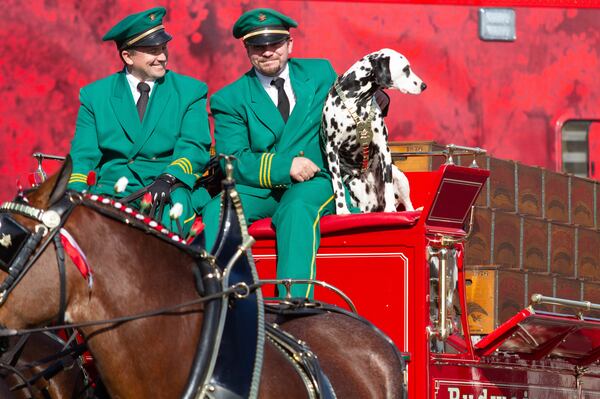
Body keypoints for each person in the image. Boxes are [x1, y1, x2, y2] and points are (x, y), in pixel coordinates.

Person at [202, 8, 338, 298]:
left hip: (315, 181)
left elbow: (351, 104)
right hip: (262, 188)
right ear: (247, 50)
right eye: (257, 46)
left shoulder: (321, 73)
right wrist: (284, 166)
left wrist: (380, 99)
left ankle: (293, 304)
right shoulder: (230, 98)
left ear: (290, 44)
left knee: (296, 209)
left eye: (274, 44)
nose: (267, 52)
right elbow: (233, 159)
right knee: (217, 208)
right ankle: (224, 299)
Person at [67, 7, 211, 236]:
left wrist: (169, 177)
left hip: (168, 190)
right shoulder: (95, 96)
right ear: (128, 56)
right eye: (153, 51)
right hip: (114, 192)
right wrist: (74, 193)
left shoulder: (190, 91)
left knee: (168, 237)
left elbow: (195, 146)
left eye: (163, 48)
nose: (162, 57)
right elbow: (82, 157)